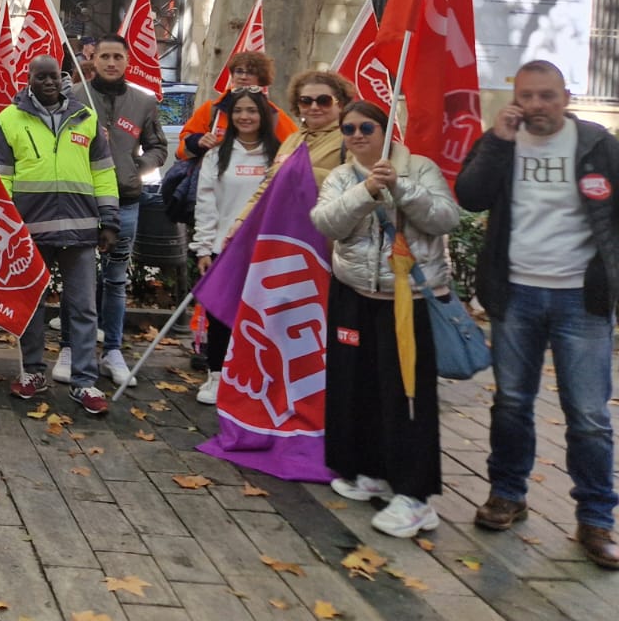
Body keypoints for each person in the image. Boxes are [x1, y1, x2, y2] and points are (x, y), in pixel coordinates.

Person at [454, 61, 619, 569]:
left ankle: (596, 519)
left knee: (589, 415)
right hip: (516, 295)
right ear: (516, 98)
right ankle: (507, 494)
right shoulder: (501, 140)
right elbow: (469, 197)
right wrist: (498, 142)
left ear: (566, 97)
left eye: (547, 95)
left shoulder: (598, 144)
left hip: (582, 298)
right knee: (511, 403)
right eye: (527, 96)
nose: (537, 105)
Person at [311, 101, 459, 539]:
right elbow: (326, 223)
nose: (357, 135)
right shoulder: (341, 176)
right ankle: (371, 470)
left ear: (386, 129)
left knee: (406, 394)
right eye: (349, 129)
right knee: (358, 387)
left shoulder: (419, 168)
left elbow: (445, 218)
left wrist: (401, 188)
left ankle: (416, 496)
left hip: (407, 300)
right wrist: (365, 192)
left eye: (366, 127)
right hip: (355, 296)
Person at [0, 56, 119, 415]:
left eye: (54, 77)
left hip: (81, 230)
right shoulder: (8, 119)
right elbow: (1, 177)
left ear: (63, 79)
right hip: (29, 232)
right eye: (40, 77)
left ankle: (85, 382)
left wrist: (109, 221)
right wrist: (8, 226)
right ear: (28, 79)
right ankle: (33, 372)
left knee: (83, 308)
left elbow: (103, 173)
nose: (48, 82)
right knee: (32, 306)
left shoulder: (87, 118)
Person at [68, 33, 167, 389]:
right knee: (76, 277)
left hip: (125, 200)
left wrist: (133, 166)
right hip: (81, 199)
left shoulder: (143, 102)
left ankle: (112, 350)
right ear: (93, 60)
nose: (111, 63)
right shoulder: (75, 97)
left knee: (115, 279)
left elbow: (158, 147)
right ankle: (69, 347)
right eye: (105, 56)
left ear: (127, 61)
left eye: (117, 57)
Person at [191, 87, 282, 404]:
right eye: (239, 110)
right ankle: (217, 375)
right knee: (220, 316)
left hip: (267, 252)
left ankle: (257, 377)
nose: (245, 116)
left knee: (262, 318)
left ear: (263, 115)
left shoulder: (280, 155)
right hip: (224, 248)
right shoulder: (217, 155)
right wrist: (204, 248)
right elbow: (206, 204)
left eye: (252, 110)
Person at [176, 51, 297, 160]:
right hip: (213, 174)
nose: (243, 77)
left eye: (250, 72)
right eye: (239, 71)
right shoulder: (212, 109)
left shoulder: (273, 114)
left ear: (261, 78)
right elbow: (182, 148)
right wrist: (197, 142)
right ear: (232, 75)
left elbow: (294, 149)